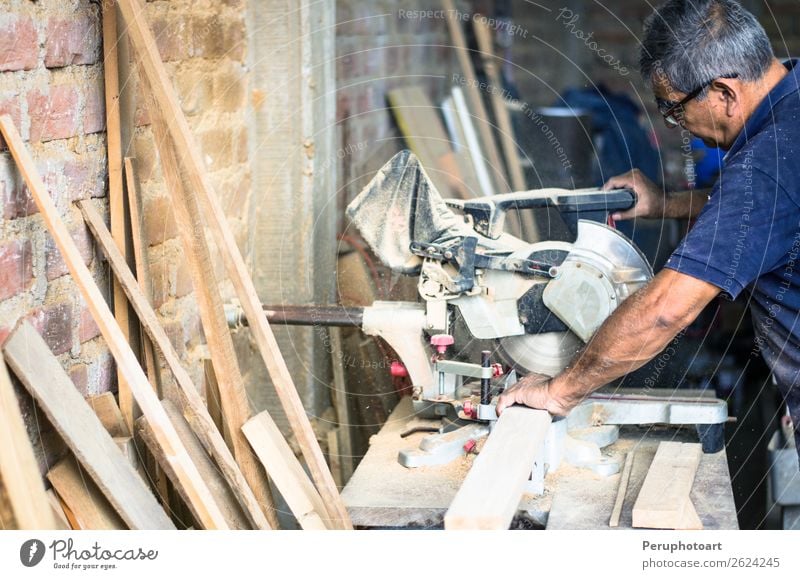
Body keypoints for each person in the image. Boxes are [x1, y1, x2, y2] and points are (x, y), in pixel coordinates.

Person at [496, 0, 800, 458]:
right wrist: (667, 203)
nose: (678, 126)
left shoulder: (769, 162)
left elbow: (666, 310)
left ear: (724, 92)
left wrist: (561, 390)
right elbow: (774, 211)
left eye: (674, 110)